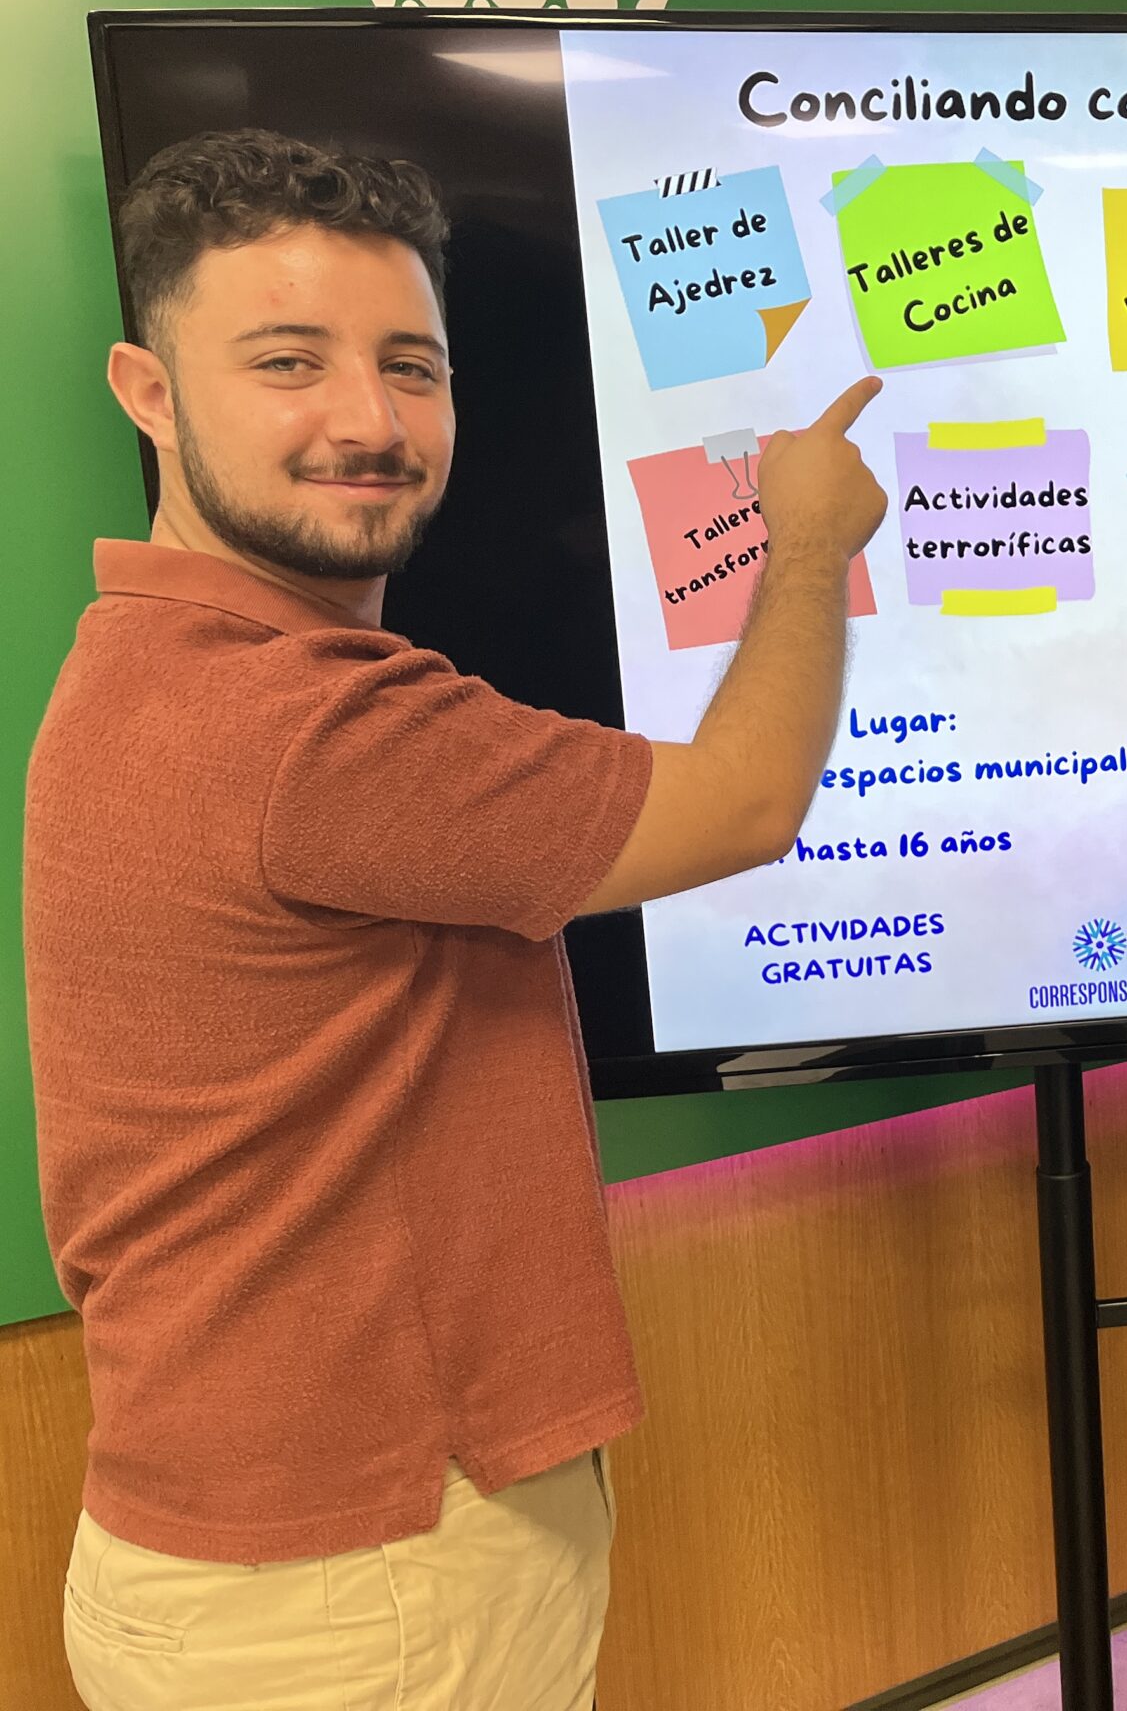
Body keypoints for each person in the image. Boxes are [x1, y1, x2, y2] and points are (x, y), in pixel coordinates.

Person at [22, 129, 889, 1711]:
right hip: (363, 1585)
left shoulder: (140, 660)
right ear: (148, 391)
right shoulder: (308, 728)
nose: (368, 420)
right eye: (288, 362)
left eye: (409, 367)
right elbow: (748, 803)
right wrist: (812, 537)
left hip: (273, 1552)